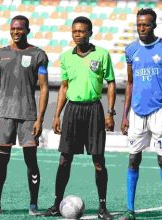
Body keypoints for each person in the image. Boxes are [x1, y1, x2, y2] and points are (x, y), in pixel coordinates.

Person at [43, 16, 116, 220]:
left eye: (82, 31)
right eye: (75, 31)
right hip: (72, 111)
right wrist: (57, 115)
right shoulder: (66, 57)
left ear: (90, 32)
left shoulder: (102, 54)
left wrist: (110, 112)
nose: (78, 34)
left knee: (98, 161)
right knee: (64, 159)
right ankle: (57, 204)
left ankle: (102, 207)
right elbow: (64, 87)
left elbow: (111, 83)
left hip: (94, 110)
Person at [0, 15, 49, 216]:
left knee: (31, 161)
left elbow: (44, 88)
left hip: (28, 116)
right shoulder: (0, 54)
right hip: (4, 115)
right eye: (13, 29)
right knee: (1, 161)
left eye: (20, 29)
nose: (16, 32)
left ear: (28, 30)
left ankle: (34, 206)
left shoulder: (38, 55)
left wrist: (40, 118)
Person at [119, 8, 162, 220]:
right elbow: (129, 83)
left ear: (154, 25)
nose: (141, 28)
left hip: (160, 112)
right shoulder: (130, 50)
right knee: (133, 159)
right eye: (139, 25)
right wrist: (125, 115)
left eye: (145, 24)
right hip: (137, 113)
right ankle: (130, 210)